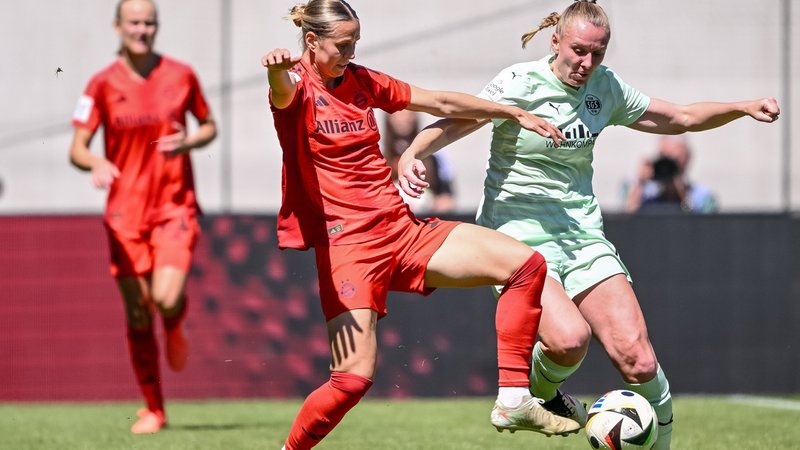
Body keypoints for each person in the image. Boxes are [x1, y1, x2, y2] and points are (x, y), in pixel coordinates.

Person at [396, 1, 780, 449]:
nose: (587, 63)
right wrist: (411, 154)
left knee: (637, 358)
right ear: (556, 41)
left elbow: (681, 118)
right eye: (579, 51)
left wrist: (743, 105)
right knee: (569, 340)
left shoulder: (605, 87)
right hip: (517, 238)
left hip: (582, 236)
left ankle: (660, 443)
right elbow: (455, 121)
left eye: (597, 53)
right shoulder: (519, 83)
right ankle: (534, 395)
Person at [261, 1, 584, 448]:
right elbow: (281, 95)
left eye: (356, 42)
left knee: (525, 264)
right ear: (311, 41)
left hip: (401, 230)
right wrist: (277, 71)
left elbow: (440, 101)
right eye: (343, 44)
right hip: (347, 249)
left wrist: (510, 112)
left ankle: (514, 396)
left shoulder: (360, 80)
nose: (352, 52)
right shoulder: (295, 84)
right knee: (351, 381)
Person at [68, 0, 217, 434]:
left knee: (166, 299)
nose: (142, 29)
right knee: (137, 313)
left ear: (157, 27)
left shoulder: (181, 74)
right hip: (123, 215)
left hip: (174, 206)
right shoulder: (100, 84)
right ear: (118, 26)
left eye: (149, 22)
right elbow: (77, 147)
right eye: (134, 22)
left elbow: (209, 126)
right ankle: (154, 409)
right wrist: (94, 163)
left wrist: (190, 142)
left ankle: (174, 322)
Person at [383, 109, 456, 213]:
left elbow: (447, 197)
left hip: (426, 219)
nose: (404, 118)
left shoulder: (435, 155)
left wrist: (431, 203)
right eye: (398, 113)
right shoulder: (379, 156)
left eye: (408, 113)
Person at [623, 135, 718, 213]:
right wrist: (639, 184)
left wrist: (682, 195)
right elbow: (627, 221)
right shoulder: (640, 190)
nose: (668, 165)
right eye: (664, 157)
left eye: (675, 159)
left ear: (687, 159)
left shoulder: (703, 196)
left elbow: (704, 228)